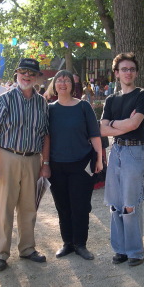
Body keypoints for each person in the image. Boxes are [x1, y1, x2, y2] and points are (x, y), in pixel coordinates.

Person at [0, 58, 50, 272]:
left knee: (29, 207)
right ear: (17, 74)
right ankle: (0, 254)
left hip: (32, 159)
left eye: (31, 73)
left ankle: (28, 248)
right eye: (23, 72)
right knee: (4, 207)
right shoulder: (5, 99)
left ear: (37, 77)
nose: (27, 76)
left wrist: (45, 162)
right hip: (6, 157)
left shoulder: (42, 103)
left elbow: (46, 135)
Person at [100, 52, 144, 267]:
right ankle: (120, 250)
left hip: (134, 152)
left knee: (130, 204)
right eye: (123, 69)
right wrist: (119, 125)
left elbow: (134, 125)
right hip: (117, 151)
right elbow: (101, 129)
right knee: (115, 203)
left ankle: (135, 252)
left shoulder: (142, 95)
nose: (128, 72)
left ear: (136, 73)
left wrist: (112, 125)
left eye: (131, 69)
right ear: (117, 73)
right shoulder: (111, 99)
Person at [48, 70, 103, 261]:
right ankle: (68, 243)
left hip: (81, 165)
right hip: (57, 166)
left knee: (80, 206)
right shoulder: (50, 109)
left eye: (66, 81)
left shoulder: (83, 107)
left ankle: (81, 244)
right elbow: (45, 138)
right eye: (59, 81)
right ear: (54, 85)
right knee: (62, 206)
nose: (63, 84)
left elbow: (94, 135)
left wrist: (99, 159)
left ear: (72, 85)